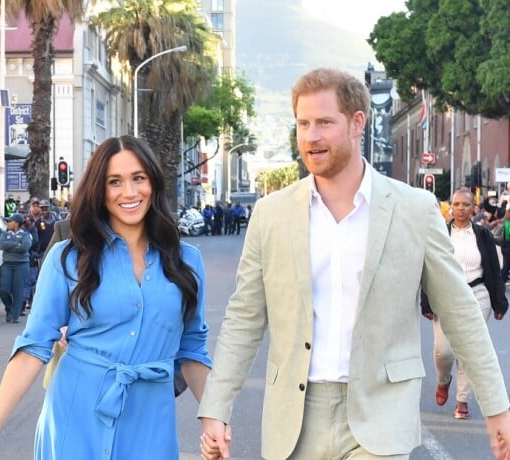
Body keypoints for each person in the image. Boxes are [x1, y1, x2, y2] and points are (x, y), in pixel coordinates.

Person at [198, 68, 510, 460]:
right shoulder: (271, 214)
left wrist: (498, 407)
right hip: (295, 419)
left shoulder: (414, 209)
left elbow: (459, 310)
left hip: (380, 415)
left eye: (325, 122)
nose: (311, 136)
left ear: (357, 122)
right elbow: (244, 318)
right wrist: (215, 409)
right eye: (303, 123)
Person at [0, 135, 214, 459]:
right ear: (99, 189)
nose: (129, 192)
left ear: (153, 181)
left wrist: (214, 422)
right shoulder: (67, 258)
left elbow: (193, 349)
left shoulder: (187, 262)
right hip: (74, 419)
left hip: (151, 425)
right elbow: (32, 347)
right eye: (115, 182)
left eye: (138, 178)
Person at [422, 188, 508, 420]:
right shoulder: (440, 232)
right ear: (451, 207)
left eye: (466, 204)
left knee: (468, 350)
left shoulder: (483, 235)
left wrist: (499, 302)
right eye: (457, 204)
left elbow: (493, 270)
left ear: (474, 208)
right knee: (444, 351)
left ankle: (462, 401)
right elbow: (427, 266)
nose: (460, 208)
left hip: (477, 295)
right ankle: (443, 380)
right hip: (445, 294)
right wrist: (426, 303)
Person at [0, 213, 32, 324]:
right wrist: (16, 244)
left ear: (16, 223)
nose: (8, 223)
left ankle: (15, 315)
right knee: (4, 290)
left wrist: (10, 245)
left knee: (18, 290)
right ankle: (9, 308)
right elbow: (2, 245)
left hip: (21, 264)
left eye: (10, 221)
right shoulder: (5, 234)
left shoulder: (25, 235)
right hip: (7, 264)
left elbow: (25, 247)